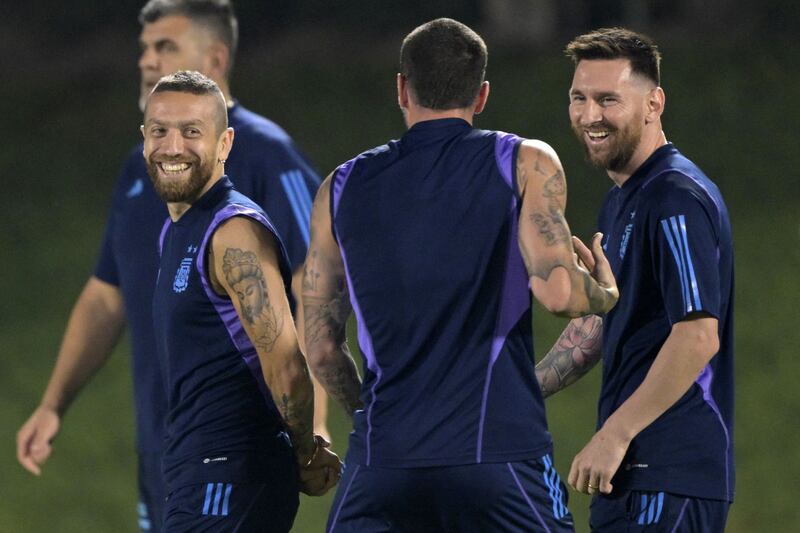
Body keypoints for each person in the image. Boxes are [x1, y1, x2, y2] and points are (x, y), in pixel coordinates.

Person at [15, 1, 327, 531]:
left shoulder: (254, 183)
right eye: (158, 132)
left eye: (166, 47)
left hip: (229, 466)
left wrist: (309, 437)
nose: (147, 60)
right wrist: (54, 403)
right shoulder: (162, 204)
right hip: (173, 454)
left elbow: (314, 292)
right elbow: (106, 294)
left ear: (216, 58)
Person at [301, 18, 619, 532]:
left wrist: (368, 413)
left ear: (402, 88)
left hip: (384, 463)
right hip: (498, 455)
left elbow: (319, 348)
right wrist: (604, 292)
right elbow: (560, 292)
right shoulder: (524, 162)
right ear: (482, 94)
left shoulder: (339, 187)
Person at [535, 27, 735, 531]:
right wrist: (520, 388)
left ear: (654, 104)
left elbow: (697, 334)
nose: (589, 116)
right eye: (579, 98)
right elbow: (604, 325)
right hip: (632, 477)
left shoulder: (674, 197)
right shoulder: (624, 198)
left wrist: (615, 434)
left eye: (608, 100)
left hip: (668, 472)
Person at [143, 70, 339, 531]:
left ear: (224, 143)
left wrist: (305, 449)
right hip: (199, 472)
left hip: (229, 474)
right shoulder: (175, 230)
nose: (173, 147)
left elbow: (287, 362)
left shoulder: (234, 233)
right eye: (160, 131)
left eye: (192, 132)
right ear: (144, 139)